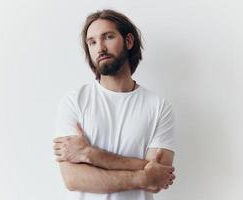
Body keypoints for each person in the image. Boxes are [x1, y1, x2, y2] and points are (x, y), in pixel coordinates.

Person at [53, 9, 176, 200]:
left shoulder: (158, 106)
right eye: (92, 42)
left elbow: (158, 178)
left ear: (128, 41)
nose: (100, 47)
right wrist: (143, 175)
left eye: (108, 37)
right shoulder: (75, 101)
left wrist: (89, 154)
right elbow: (73, 179)